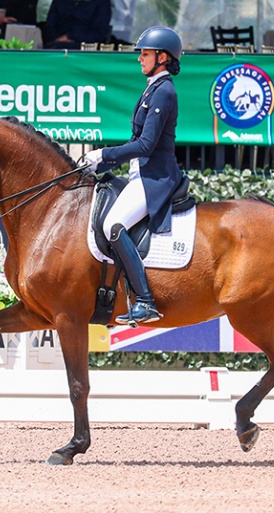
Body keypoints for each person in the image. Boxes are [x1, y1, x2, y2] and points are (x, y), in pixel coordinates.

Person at [84, 26, 183, 325]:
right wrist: (102, 165)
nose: (139, 58)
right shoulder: (152, 87)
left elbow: (145, 145)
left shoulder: (164, 91)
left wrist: (103, 154)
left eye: (145, 53)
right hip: (140, 173)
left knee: (114, 225)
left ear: (162, 57)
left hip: (155, 178)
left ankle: (145, 300)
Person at [44, 0, 111, 49]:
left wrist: (71, 37)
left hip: (85, 47)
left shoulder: (102, 2)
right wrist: (57, 39)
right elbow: (50, 25)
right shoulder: (59, 1)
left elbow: (99, 32)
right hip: (56, 45)